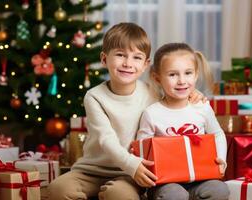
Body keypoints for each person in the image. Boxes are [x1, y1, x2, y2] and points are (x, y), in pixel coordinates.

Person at [47, 23, 205, 200]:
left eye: (137, 58)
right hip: (92, 170)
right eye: (120, 55)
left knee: (119, 195)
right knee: (58, 189)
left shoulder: (152, 93)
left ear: (145, 65)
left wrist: (192, 94)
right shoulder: (94, 96)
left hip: (131, 174)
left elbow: (174, 102)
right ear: (104, 59)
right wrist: (132, 164)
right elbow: (106, 138)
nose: (128, 63)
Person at [136, 43, 229, 200]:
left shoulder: (202, 108)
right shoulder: (152, 113)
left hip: (200, 179)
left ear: (196, 75)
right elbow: (142, 148)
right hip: (166, 184)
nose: (181, 81)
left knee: (220, 189)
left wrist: (221, 160)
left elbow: (217, 133)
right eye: (173, 75)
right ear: (157, 78)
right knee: (174, 195)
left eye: (188, 73)